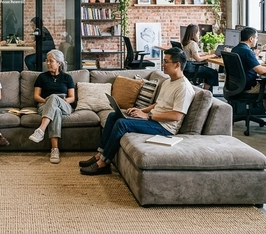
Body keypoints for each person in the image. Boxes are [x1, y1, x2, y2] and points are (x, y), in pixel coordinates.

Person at [80, 47, 195, 175]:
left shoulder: (184, 87)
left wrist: (148, 116)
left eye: (166, 61)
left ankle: (103, 163)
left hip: (165, 127)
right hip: (154, 119)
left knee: (122, 123)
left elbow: (176, 116)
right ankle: (99, 154)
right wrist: (140, 110)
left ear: (177, 65)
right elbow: (158, 104)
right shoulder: (167, 82)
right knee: (113, 116)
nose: (163, 64)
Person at [231, 26, 266, 126]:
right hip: (250, 87)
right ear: (251, 39)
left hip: (237, 86)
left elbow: (255, 65)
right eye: (256, 38)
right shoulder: (248, 52)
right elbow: (260, 71)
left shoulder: (236, 49)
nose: (257, 40)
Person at [27, 50, 74, 164]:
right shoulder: (42, 77)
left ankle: (41, 130)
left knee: (54, 98)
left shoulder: (67, 78)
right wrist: (49, 102)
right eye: (47, 61)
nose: (47, 63)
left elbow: (72, 98)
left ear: (59, 63)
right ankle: (55, 150)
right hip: (44, 105)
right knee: (55, 110)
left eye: (51, 61)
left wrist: (59, 100)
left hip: (64, 105)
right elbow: (36, 96)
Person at [180, 23, 219, 91]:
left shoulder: (185, 42)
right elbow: (198, 59)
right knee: (213, 73)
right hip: (192, 67)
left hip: (186, 67)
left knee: (208, 72)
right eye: (198, 32)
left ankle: (207, 91)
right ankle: (204, 91)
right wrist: (212, 56)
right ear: (194, 33)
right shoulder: (192, 43)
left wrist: (206, 54)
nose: (199, 34)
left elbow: (194, 54)